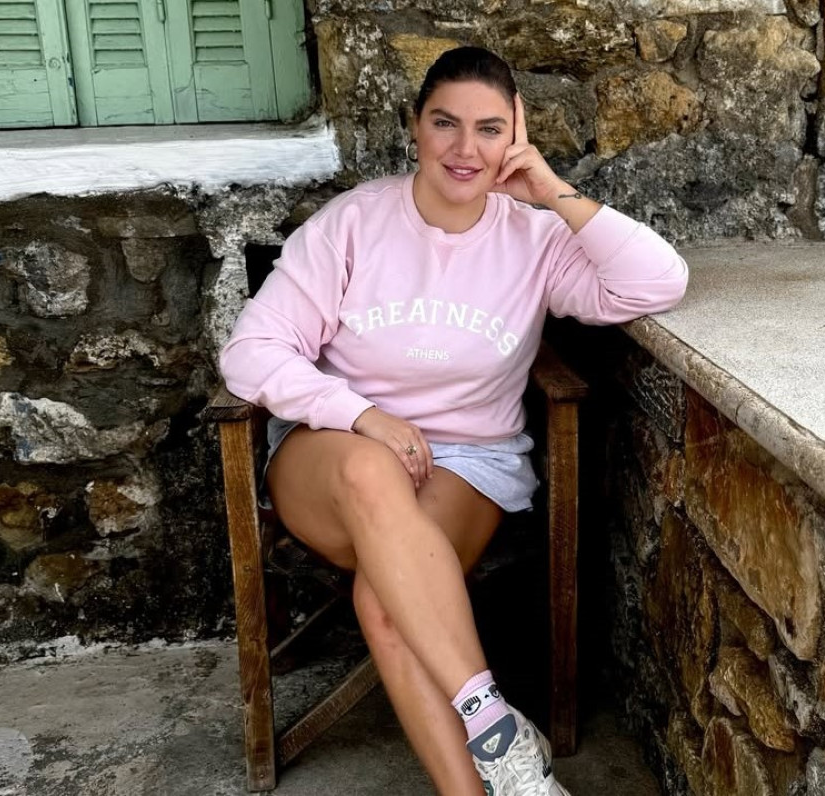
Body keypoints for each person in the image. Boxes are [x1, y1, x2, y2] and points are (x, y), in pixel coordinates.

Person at [220, 46, 687, 796]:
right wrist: (361, 415)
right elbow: (250, 354)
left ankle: (484, 777)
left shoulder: (535, 240)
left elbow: (657, 281)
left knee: (387, 604)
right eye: (446, 123)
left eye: (489, 129)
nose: (465, 148)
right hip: (332, 455)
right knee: (368, 470)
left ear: (515, 136)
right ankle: (492, 717)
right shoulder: (352, 225)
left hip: (465, 463)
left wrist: (550, 189)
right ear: (416, 125)